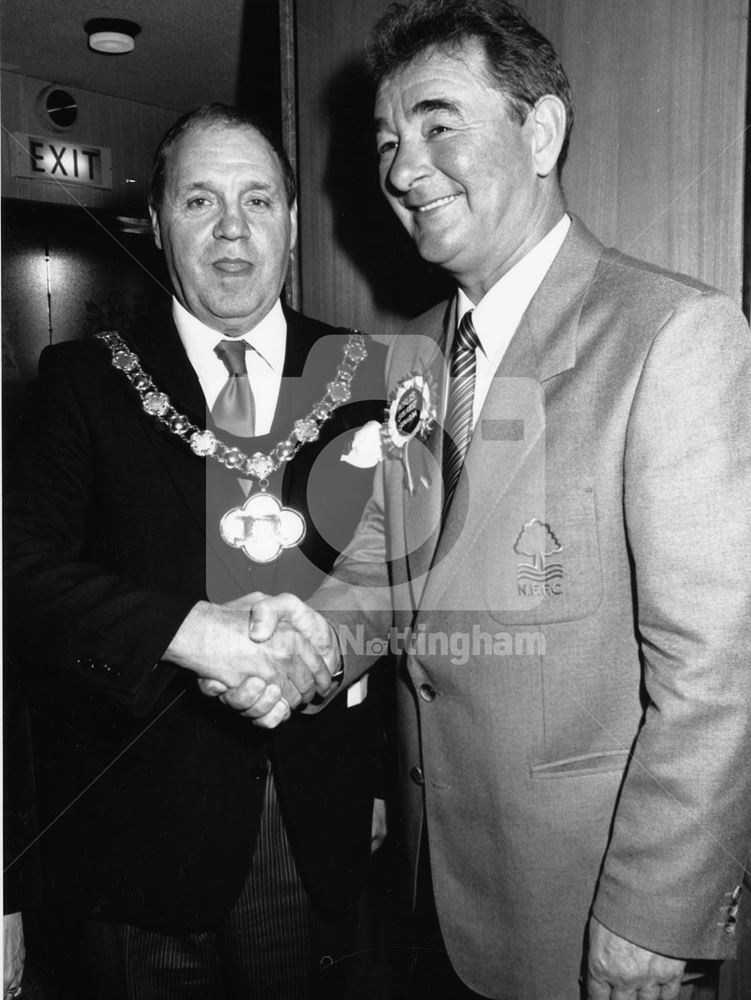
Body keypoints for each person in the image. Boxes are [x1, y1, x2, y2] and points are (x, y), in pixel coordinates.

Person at [221, 3, 751, 998]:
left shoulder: (672, 334)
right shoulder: (413, 355)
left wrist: (651, 916)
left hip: (596, 913)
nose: (402, 169)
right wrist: (296, 649)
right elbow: (384, 564)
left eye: (435, 124)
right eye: (385, 143)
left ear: (539, 131)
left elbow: (719, 666)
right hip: (432, 891)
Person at [4, 103, 388, 999]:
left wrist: (370, 768)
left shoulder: (366, 376)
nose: (231, 230)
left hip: (308, 818)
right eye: (200, 201)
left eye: (259, 201)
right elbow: (18, 571)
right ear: (156, 222)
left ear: (293, 223)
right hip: (134, 828)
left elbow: (392, 579)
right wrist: (194, 633)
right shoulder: (81, 380)